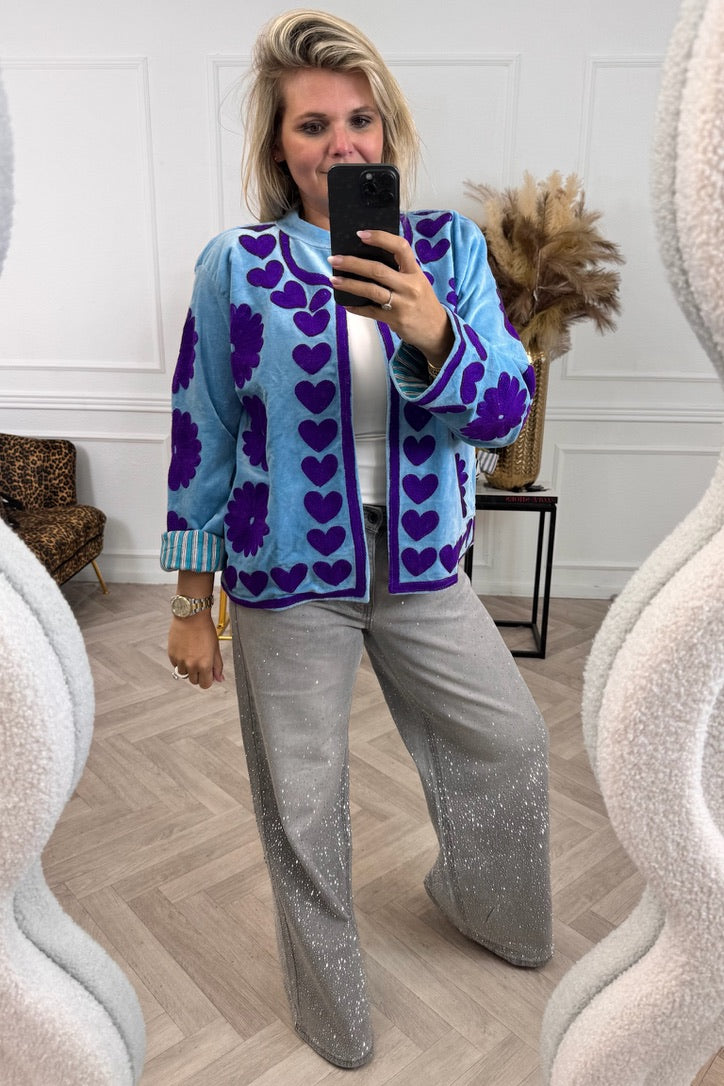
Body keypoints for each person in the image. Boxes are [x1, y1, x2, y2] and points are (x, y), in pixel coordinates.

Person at [161, 9, 552, 1070]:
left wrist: (432, 327)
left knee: (512, 742)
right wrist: (192, 601)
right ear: (278, 147)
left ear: (387, 133)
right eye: (313, 125)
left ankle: (484, 905)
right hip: (287, 575)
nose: (342, 143)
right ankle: (332, 1012)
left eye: (360, 121)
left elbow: (503, 415)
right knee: (305, 802)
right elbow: (203, 428)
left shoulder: (448, 251)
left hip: (421, 566)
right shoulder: (236, 265)